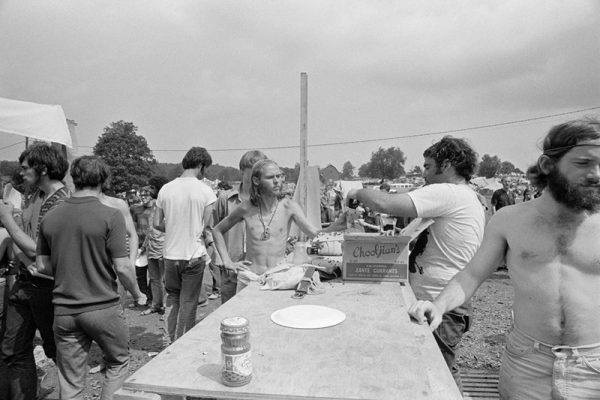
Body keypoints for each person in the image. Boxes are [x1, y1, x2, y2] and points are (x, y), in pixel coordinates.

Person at [409, 118, 600, 399]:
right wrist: (438, 306)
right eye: (583, 163)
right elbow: (471, 275)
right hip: (527, 364)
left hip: (593, 366)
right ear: (548, 166)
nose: (596, 174)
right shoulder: (509, 220)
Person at [346, 136, 484, 390]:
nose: (424, 173)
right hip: (443, 302)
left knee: (436, 376)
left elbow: (384, 202)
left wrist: (356, 192)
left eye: (428, 166)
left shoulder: (449, 192)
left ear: (448, 165)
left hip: (439, 303)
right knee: (440, 369)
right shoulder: (464, 196)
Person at [34, 155, 141, 400]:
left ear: (74, 178)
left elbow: (41, 264)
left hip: (64, 310)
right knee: (118, 362)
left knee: (71, 382)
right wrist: (138, 293)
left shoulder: (50, 216)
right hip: (102, 306)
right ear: (103, 180)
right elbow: (123, 267)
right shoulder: (110, 214)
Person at [0, 143, 70, 400]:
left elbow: (42, 251)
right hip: (25, 282)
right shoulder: (37, 197)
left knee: (56, 352)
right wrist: (21, 250)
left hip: (47, 288)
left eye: (26, 167)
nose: (22, 171)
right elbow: (26, 246)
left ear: (43, 168)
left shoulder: (62, 203)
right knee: (13, 350)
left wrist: (7, 221)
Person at [212, 159, 320, 289]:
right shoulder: (246, 208)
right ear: (256, 181)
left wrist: (336, 227)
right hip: (249, 277)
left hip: (277, 277)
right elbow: (217, 230)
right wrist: (227, 261)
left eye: (279, 176)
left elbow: (313, 233)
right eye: (270, 177)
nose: (277, 181)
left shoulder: (289, 207)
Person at [153, 147, 216, 343]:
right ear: (201, 165)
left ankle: (168, 338)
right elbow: (207, 225)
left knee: (172, 297)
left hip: (170, 254)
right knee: (189, 302)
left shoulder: (166, 189)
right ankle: (184, 341)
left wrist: (173, 228)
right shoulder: (206, 191)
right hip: (193, 253)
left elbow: (156, 223)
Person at [209, 150, 267, 304]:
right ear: (242, 171)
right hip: (232, 268)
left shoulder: (268, 201)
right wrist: (224, 260)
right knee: (230, 313)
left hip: (260, 268)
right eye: (253, 171)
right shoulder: (225, 199)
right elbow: (214, 230)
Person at [140, 177, 168, 315]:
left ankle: (166, 307)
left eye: (152, 187)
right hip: (152, 247)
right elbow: (151, 229)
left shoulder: (166, 204)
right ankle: (156, 305)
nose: (148, 190)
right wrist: (144, 247)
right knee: (154, 279)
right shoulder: (153, 205)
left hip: (163, 247)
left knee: (165, 280)